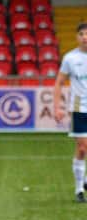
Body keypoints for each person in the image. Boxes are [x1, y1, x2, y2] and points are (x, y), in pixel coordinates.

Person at [53, 22, 87, 203]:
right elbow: (59, 83)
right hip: (78, 108)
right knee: (82, 148)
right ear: (77, 37)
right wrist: (57, 107)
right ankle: (79, 189)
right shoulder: (70, 58)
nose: (85, 37)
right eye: (81, 34)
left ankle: (84, 182)